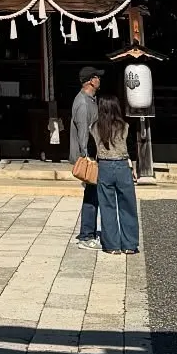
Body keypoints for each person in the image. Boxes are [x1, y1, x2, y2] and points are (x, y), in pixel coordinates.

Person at [94, 95, 141, 256]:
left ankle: (112, 245)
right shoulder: (125, 126)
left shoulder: (95, 127)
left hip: (104, 166)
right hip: (122, 165)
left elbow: (91, 150)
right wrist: (134, 168)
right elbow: (132, 149)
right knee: (127, 205)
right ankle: (130, 244)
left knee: (107, 207)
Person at [70, 66, 101, 245]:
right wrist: (87, 157)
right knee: (91, 195)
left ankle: (90, 232)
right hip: (89, 156)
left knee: (94, 195)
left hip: (93, 154)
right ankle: (86, 234)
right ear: (90, 81)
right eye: (97, 77)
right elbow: (83, 133)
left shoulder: (90, 100)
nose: (99, 80)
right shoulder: (83, 103)